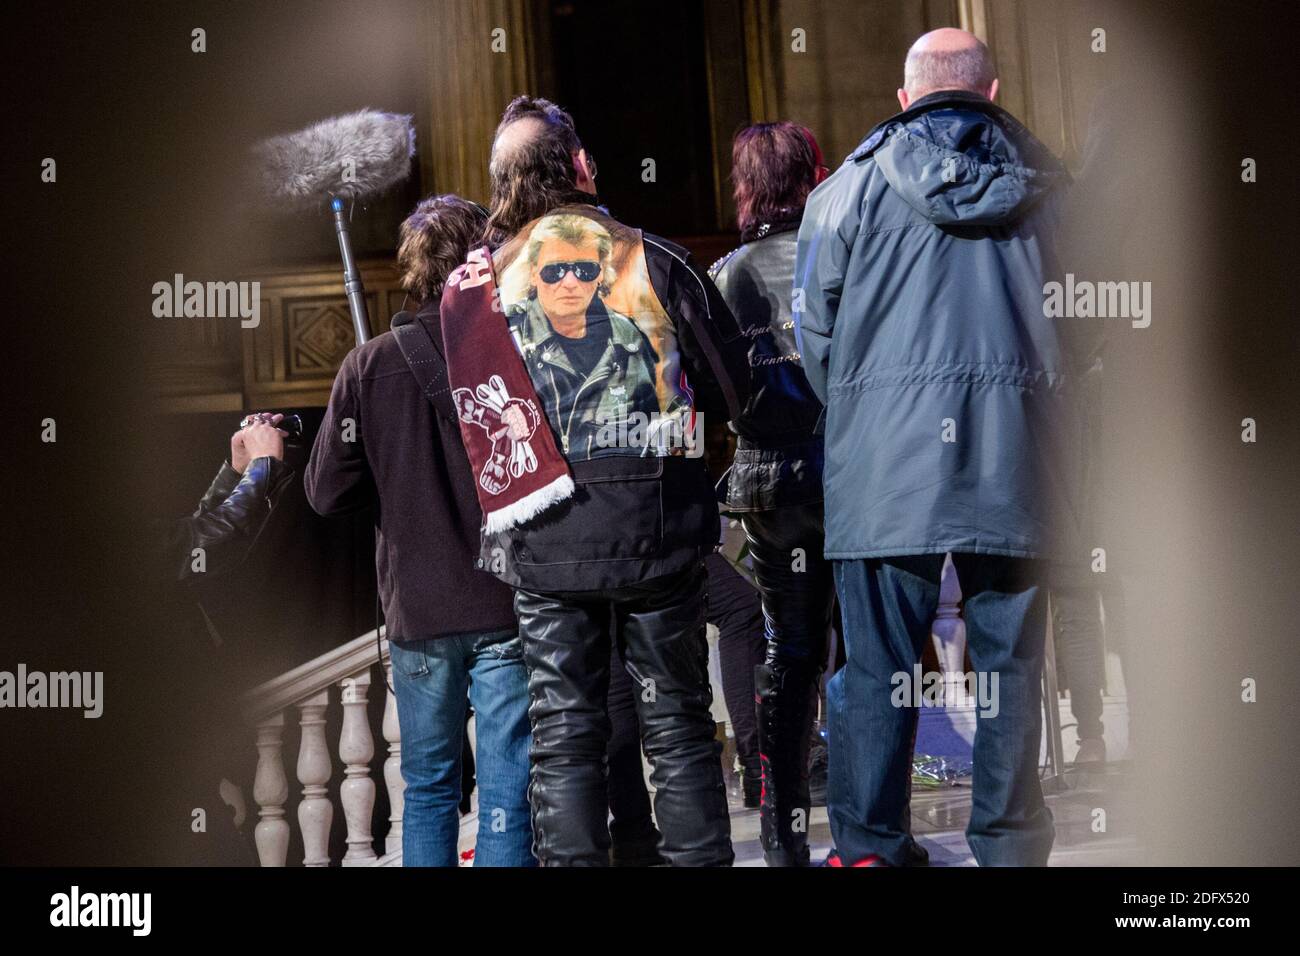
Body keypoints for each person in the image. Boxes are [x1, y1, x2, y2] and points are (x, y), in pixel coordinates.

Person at [795, 28, 1074, 866]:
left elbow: (815, 333)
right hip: (1017, 452)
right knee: (1012, 667)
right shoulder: (1057, 191)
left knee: (876, 669)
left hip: (885, 462)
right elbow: (1092, 323)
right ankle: (1011, 846)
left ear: (904, 96)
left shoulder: (844, 190)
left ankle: (872, 846)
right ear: (991, 93)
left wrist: (857, 413)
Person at [463, 95, 749, 866]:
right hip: (656, 531)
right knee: (680, 726)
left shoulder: (477, 285)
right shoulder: (652, 257)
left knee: (563, 737)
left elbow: (475, 428)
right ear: (582, 166)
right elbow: (732, 387)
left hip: (545, 542)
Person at [304, 195, 534, 867]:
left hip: (420, 610)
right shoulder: (508, 350)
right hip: (502, 599)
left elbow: (325, 493)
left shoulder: (367, 366)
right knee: (503, 790)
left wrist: (378, 442)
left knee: (429, 792)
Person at [709, 121, 834, 866]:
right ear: (812, 175)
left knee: (788, 659)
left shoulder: (724, 275)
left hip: (768, 485)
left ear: (749, 187)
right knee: (870, 655)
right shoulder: (846, 258)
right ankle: (871, 831)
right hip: (849, 473)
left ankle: (785, 843)